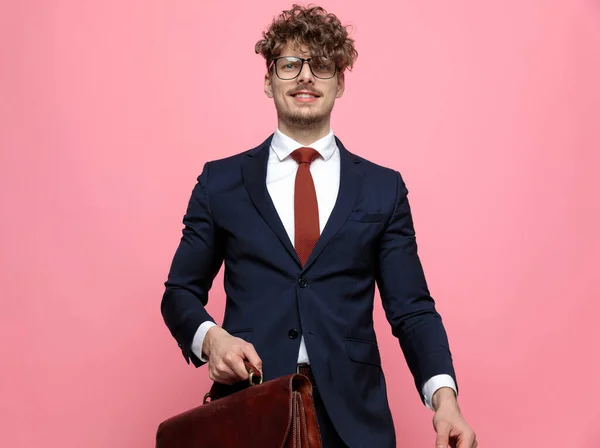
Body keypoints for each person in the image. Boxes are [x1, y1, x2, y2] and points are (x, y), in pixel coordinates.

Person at [161, 5, 477, 448]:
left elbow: (412, 310)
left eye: (322, 65)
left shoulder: (382, 189)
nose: (306, 77)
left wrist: (445, 401)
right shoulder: (221, 182)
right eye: (290, 65)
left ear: (340, 82)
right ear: (269, 80)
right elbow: (179, 293)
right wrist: (211, 340)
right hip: (251, 413)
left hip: (354, 423)